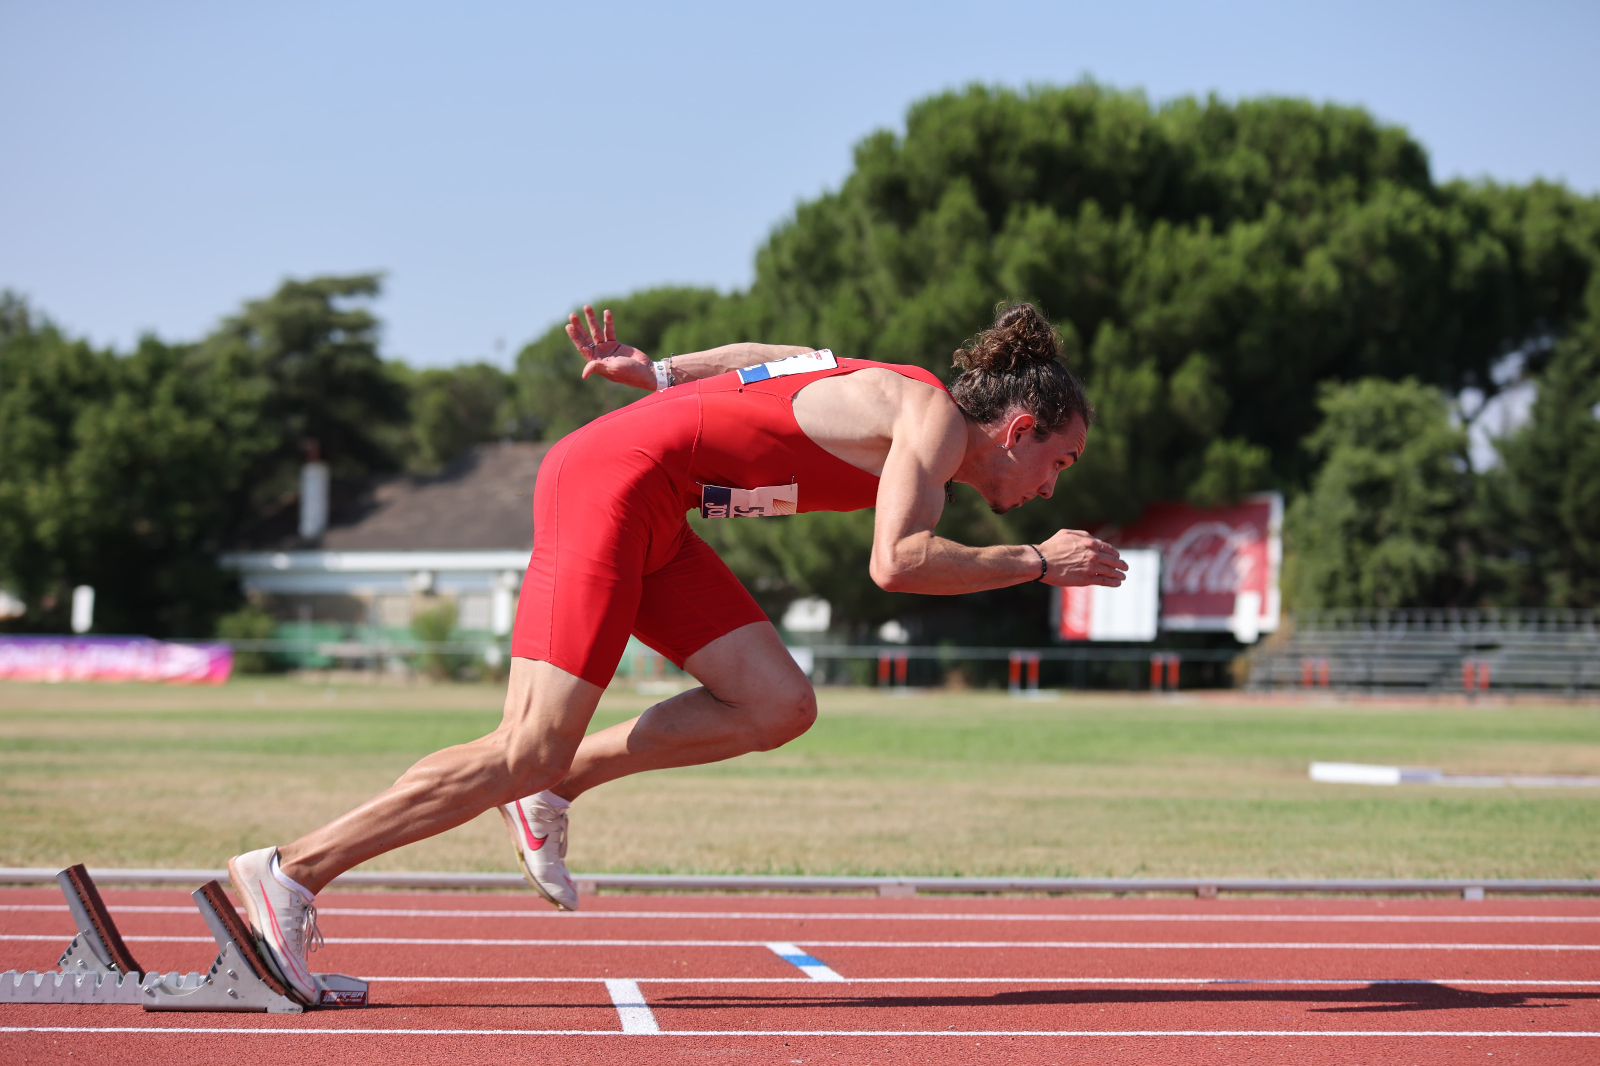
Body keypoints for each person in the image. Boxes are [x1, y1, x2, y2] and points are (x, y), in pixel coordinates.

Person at [227, 301, 1126, 1003]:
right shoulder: (927, 419)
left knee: (778, 704)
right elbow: (895, 565)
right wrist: (1041, 562)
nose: (1053, 484)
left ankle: (553, 787)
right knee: (522, 741)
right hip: (612, 488)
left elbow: (766, 363)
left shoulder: (900, 397)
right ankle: (290, 873)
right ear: (1019, 430)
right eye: (1062, 462)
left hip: (659, 515)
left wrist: (659, 371)